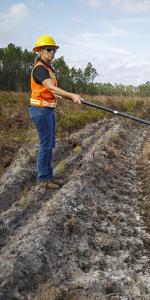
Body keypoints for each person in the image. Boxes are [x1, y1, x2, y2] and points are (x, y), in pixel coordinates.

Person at [28, 34, 83, 190]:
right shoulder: (39, 69)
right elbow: (51, 87)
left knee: (50, 144)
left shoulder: (48, 69)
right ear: (40, 51)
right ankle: (43, 179)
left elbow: (54, 92)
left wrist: (73, 97)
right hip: (40, 110)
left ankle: (49, 175)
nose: (52, 53)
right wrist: (71, 95)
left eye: (54, 51)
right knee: (45, 145)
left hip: (48, 110)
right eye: (49, 49)